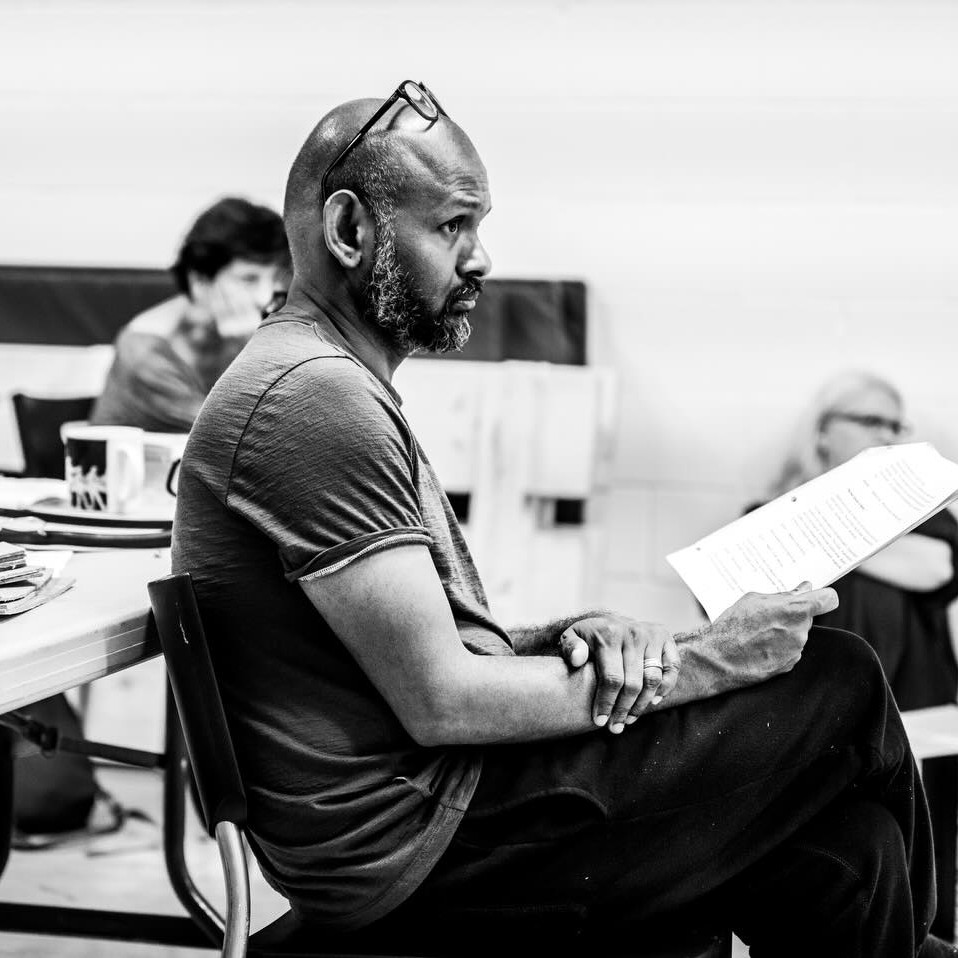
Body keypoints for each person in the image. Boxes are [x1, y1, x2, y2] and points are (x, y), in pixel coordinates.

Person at [172, 83, 955, 957]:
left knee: (850, 853)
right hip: (423, 842)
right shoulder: (312, 399)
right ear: (351, 231)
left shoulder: (327, 383)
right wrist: (704, 658)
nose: (481, 258)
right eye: (452, 227)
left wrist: (575, 635)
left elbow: (422, 654)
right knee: (837, 677)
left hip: (439, 805)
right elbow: (441, 699)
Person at [763, 370, 958, 941]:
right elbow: (733, 601)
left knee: (925, 886)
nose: (890, 435)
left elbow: (936, 569)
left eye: (898, 425)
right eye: (873, 421)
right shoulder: (765, 507)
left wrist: (809, 538)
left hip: (920, 724)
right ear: (824, 433)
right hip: (811, 737)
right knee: (833, 883)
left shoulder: (927, 515)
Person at [90, 196, 289, 433]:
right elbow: (245, 435)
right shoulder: (146, 352)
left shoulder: (247, 327)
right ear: (200, 281)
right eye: (248, 279)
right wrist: (251, 348)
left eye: (275, 278)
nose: (265, 295)